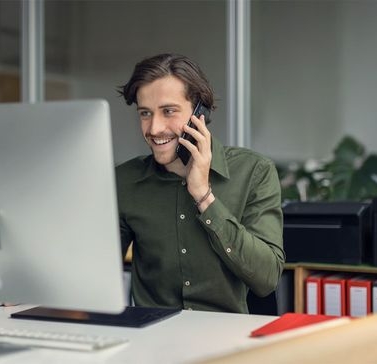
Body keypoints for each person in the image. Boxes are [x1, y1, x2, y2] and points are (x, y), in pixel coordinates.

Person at [114, 54, 284, 313]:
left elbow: (267, 279)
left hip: (226, 335)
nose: (154, 128)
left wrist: (204, 196)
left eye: (168, 111)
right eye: (145, 113)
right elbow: (95, 270)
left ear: (199, 113)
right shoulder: (126, 180)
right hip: (154, 334)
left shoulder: (254, 172)